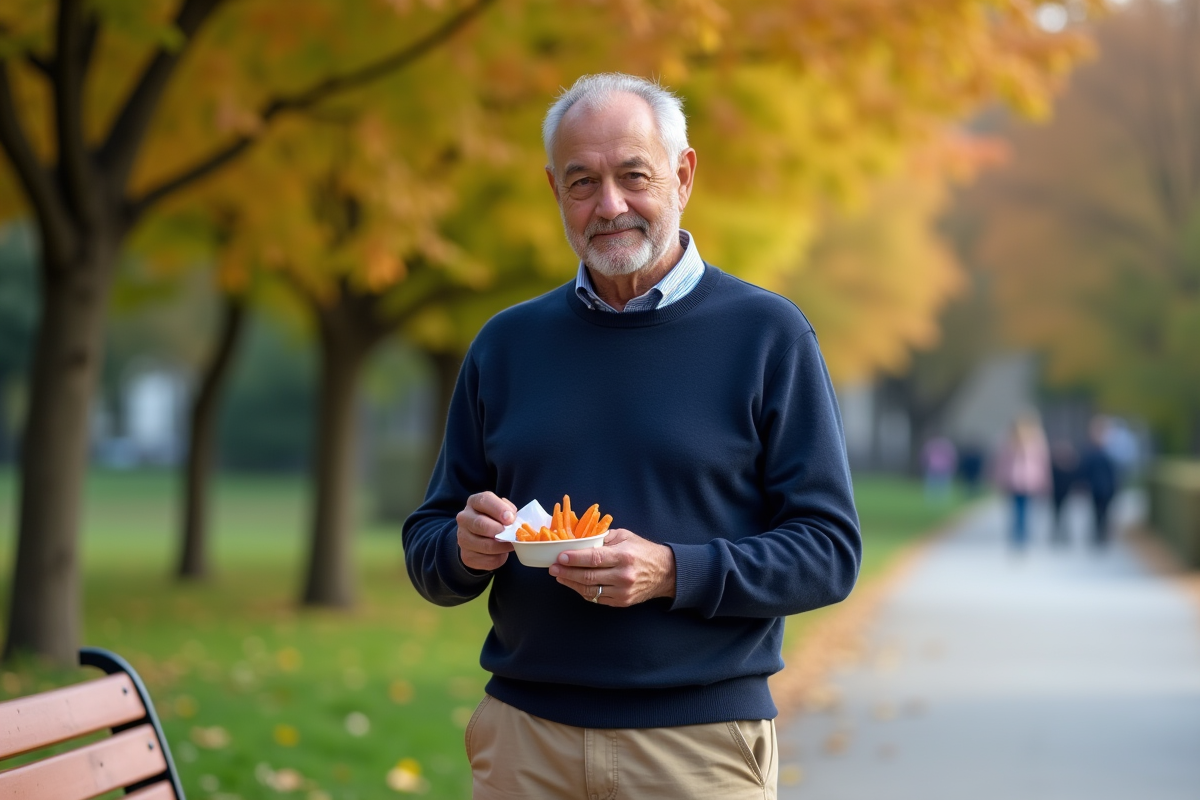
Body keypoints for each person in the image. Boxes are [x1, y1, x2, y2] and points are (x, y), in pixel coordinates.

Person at [402, 73, 861, 799]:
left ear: (682, 175)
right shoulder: (505, 344)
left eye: (633, 175)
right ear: (555, 191)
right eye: (582, 182)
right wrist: (461, 548)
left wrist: (674, 571)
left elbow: (830, 551)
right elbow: (428, 541)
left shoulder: (768, 336)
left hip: (697, 748)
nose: (609, 205)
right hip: (526, 742)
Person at [992, 414, 1050, 549]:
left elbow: (1042, 463)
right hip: (1015, 480)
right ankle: (1019, 534)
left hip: (1028, 480)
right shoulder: (1009, 440)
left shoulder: (1034, 441)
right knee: (1018, 508)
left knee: (1023, 508)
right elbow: (1001, 462)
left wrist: (1044, 479)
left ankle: (1021, 534)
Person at [1078, 415, 1119, 547]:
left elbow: (1114, 472)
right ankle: (1098, 533)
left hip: (1106, 487)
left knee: (1104, 512)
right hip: (1095, 487)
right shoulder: (1091, 452)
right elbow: (1085, 470)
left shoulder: (1110, 451)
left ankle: (1102, 533)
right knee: (1096, 511)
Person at [1049, 439, 1078, 545]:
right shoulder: (1054, 466)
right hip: (1056, 494)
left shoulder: (1070, 467)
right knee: (1056, 513)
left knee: (1065, 513)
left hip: (1065, 493)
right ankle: (1057, 532)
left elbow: (1074, 480)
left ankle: (1064, 533)